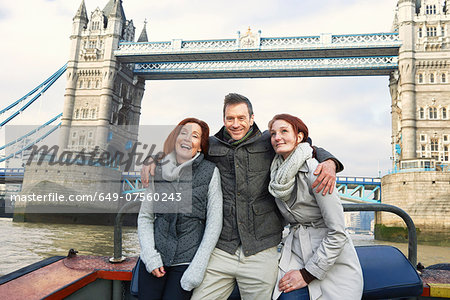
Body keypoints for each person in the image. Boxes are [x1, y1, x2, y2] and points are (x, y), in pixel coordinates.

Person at [141, 93, 342, 300]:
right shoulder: (212, 145)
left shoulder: (270, 141)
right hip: (221, 249)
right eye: (230, 118)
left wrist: (329, 161)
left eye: (241, 118)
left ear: (252, 118)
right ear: (224, 120)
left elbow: (303, 145)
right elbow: (184, 149)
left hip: (260, 249)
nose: (235, 124)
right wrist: (154, 158)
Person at [268, 113, 363, 300]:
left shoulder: (317, 171)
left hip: (331, 261)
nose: (277, 137)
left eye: (284, 131)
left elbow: (338, 233)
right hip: (296, 252)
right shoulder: (276, 173)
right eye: (273, 133)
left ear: (300, 137)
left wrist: (307, 274)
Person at [137, 117, 223, 300]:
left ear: (200, 146)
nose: (186, 139)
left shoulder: (210, 172)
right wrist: (150, 256)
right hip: (156, 258)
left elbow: (214, 224)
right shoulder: (156, 168)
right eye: (183, 133)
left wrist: (197, 267)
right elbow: (145, 216)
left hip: (187, 262)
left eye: (194, 136)